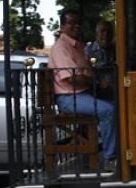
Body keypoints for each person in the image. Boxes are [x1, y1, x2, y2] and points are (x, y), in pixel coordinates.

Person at [49, 10, 116, 168]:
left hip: (82, 94)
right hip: (69, 98)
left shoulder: (77, 46)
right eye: (71, 23)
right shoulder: (61, 47)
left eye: (78, 23)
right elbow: (73, 78)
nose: (76, 26)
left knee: (117, 102)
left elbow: (85, 73)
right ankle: (110, 158)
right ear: (63, 25)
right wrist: (97, 82)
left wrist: (97, 82)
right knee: (109, 111)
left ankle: (119, 149)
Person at [85, 19, 116, 100]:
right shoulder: (89, 50)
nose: (106, 34)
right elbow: (88, 70)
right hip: (97, 90)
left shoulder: (117, 50)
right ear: (96, 34)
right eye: (103, 31)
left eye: (109, 32)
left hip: (116, 88)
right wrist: (99, 82)